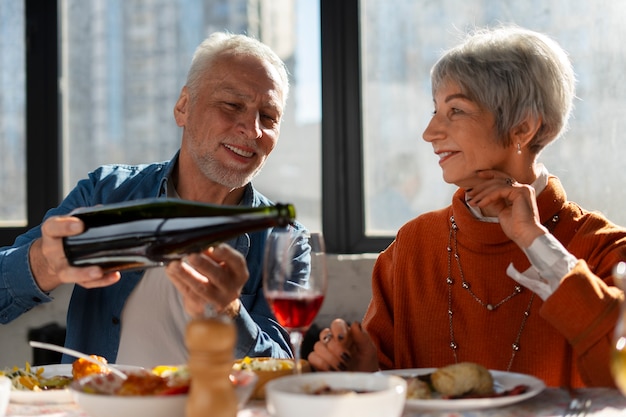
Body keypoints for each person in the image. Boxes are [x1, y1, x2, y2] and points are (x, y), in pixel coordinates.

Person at [308, 25, 626, 388]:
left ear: (523, 128)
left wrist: (537, 242)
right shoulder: (411, 247)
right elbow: (387, 392)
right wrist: (364, 375)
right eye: (435, 110)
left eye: (455, 110)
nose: (430, 132)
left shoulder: (607, 249)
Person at [0, 32, 304, 367]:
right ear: (183, 107)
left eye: (269, 116)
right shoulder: (106, 192)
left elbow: (281, 368)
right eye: (232, 105)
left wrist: (229, 313)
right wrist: (46, 262)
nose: (253, 129)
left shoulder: (286, 240)